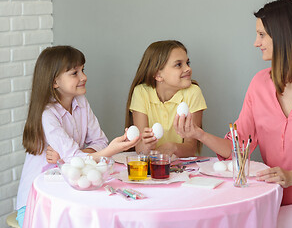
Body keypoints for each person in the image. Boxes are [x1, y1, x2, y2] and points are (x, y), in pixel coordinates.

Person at [173, 0, 292, 227]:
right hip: (273, 201)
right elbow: (237, 148)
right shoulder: (259, 84)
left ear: (282, 35)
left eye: (261, 35)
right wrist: (198, 133)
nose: (255, 42)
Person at [16, 46, 140, 227]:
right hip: (37, 202)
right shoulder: (47, 115)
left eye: (83, 70)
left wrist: (75, 156)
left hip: (68, 193)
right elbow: (92, 152)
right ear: (54, 82)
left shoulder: (81, 102)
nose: (84, 77)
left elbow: (99, 142)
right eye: (75, 73)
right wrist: (107, 152)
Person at [125, 40, 207, 157]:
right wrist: (148, 145)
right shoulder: (141, 92)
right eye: (178, 64)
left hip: (181, 167)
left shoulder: (193, 92)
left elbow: (190, 149)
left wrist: (172, 147)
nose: (188, 68)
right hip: (152, 165)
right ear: (158, 75)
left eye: (187, 63)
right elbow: (141, 149)